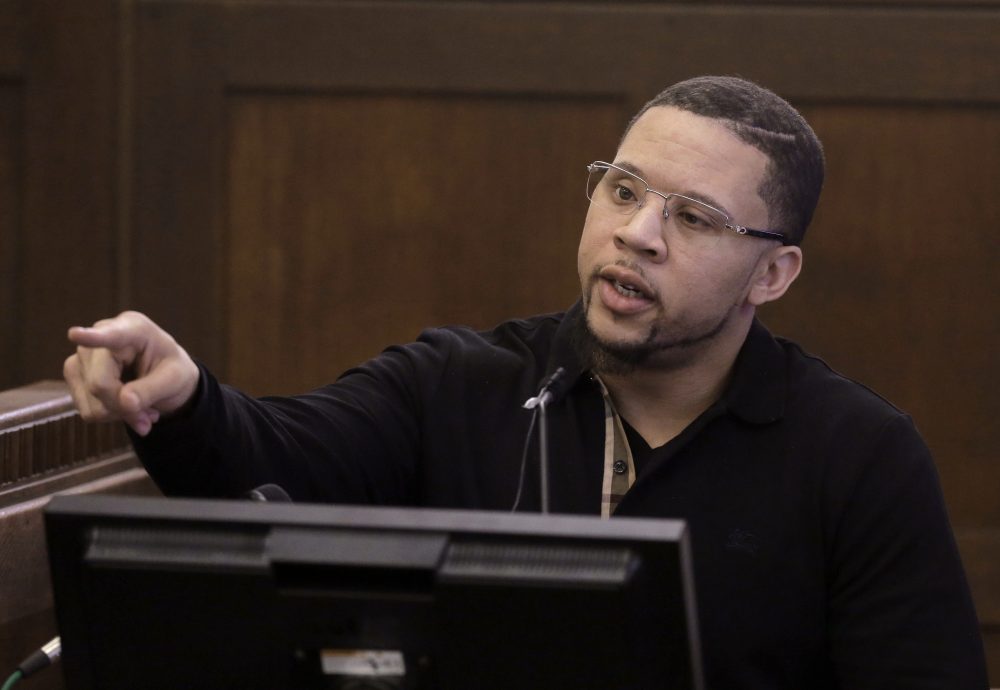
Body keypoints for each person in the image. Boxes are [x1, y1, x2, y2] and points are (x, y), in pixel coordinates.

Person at [63, 76, 987, 688]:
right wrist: (182, 399)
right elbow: (272, 459)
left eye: (694, 218)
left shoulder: (858, 457)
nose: (637, 234)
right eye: (622, 189)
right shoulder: (460, 384)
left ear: (772, 275)